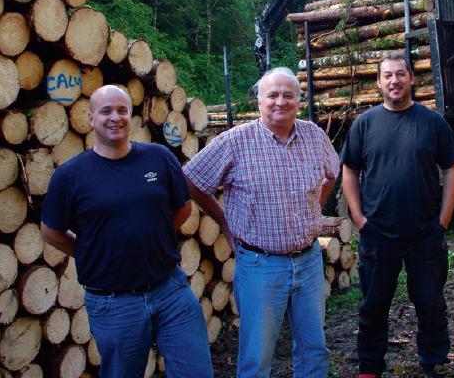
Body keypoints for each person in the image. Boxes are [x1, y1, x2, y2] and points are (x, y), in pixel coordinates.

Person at [41, 85, 213, 378]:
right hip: (114, 303)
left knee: (196, 373)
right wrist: (91, 251)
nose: (115, 117)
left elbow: (183, 207)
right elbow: (51, 231)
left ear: (130, 115)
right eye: (105, 111)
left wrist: (156, 235)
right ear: (91, 118)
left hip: (171, 291)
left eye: (122, 110)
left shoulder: (159, 158)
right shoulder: (70, 176)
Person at [183, 67, 339, 378]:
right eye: (273, 95)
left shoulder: (313, 135)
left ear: (298, 101)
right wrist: (224, 222)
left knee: (314, 349)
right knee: (257, 356)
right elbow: (191, 180)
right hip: (259, 265)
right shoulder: (235, 141)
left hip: (308, 261)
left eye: (288, 95)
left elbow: (332, 174)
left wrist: (314, 209)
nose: (281, 101)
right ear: (259, 101)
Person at [340, 55, 454, 378]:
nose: (394, 81)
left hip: (425, 233)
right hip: (378, 233)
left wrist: (444, 219)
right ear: (378, 83)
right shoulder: (365, 124)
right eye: (387, 76)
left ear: (411, 78)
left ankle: (434, 361)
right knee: (373, 305)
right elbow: (349, 170)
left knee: (430, 302)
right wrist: (358, 218)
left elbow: (452, 168)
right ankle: (370, 367)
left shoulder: (432, 121)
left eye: (400, 74)